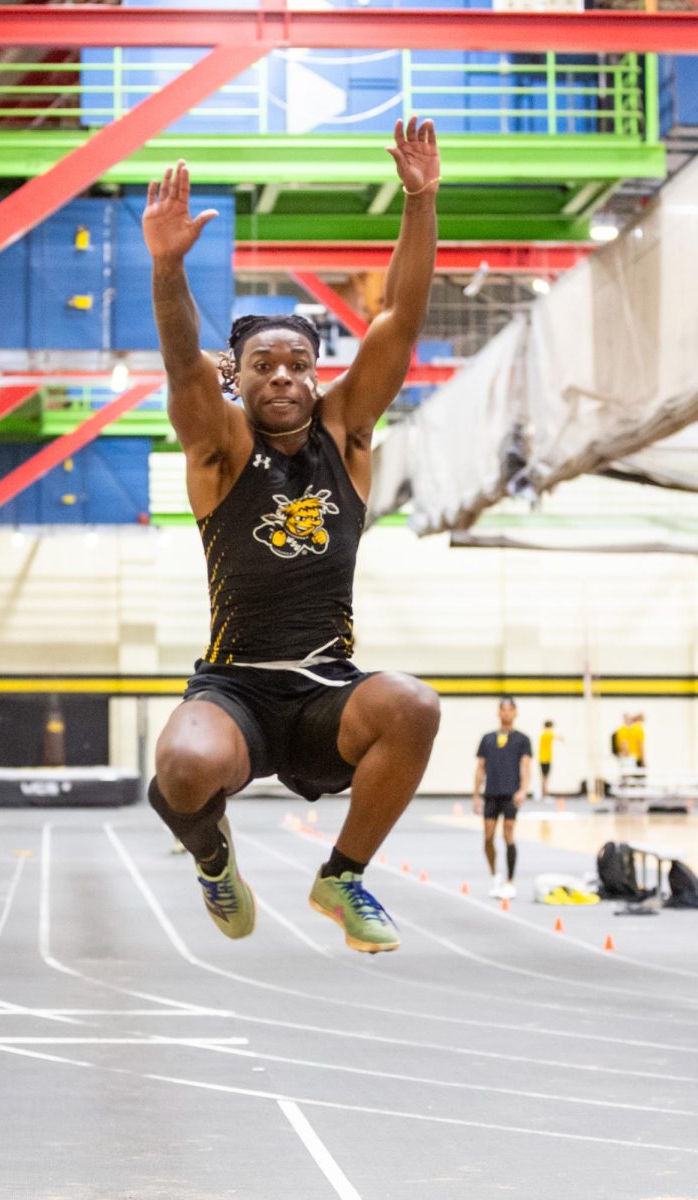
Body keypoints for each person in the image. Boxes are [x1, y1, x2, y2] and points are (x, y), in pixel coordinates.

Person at [141, 117, 442, 954]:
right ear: (234, 378)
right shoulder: (221, 447)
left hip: (325, 694)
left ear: (319, 375)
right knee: (184, 771)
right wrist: (168, 268)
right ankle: (212, 860)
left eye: (300, 364)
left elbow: (404, 322)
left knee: (413, 704)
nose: (283, 376)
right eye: (264, 365)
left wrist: (421, 203)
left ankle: (342, 878)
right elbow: (178, 362)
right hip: (236, 690)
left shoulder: (345, 438)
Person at [473, 697, 532, 900]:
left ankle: (510, 880)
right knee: (488, 836)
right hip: (491, 792)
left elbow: (526, 767)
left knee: (508, 833)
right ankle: (494, 875)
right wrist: (475, 795)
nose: (506, 713)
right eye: (503, 710)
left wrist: (523, 789)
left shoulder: (522, 740)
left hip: (510, 793)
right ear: (499, 713)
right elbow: (480, 768)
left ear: (515, 713)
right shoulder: (487, 739)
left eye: (510, 710)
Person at [537, 718, 561, 798]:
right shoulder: (548, 733)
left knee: (544, 777)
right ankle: (545, 794)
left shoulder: (543, 734)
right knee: (545, 777)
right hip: (546, 758)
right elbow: (558, 737)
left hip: (542, 757)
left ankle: (544, 793)